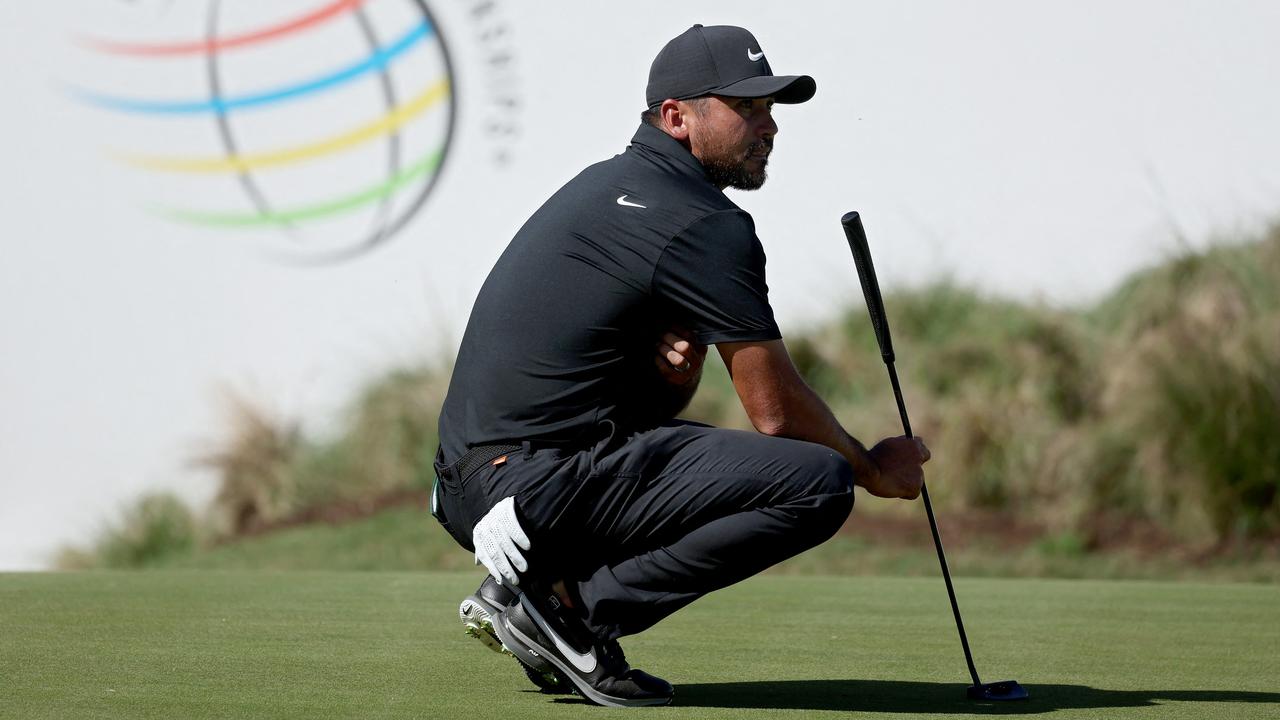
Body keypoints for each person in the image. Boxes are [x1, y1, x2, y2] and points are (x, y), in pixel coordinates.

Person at [431, 24, 930, 708]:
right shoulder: (702, 224)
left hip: (478, 484)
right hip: (527, 487)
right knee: (818, 482)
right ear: (676, 118)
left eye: (771, 109)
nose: (770, 127)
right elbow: (774, 412)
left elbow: (633, 405)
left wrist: (666, 372)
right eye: (746, 109)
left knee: (690, 446)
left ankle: (538, 592)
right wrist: (874, 469)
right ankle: (567, 612)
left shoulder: (606, 185)